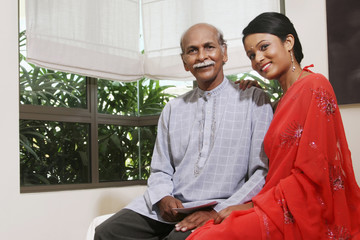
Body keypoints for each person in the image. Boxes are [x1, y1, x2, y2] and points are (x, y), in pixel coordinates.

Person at [186, 12, 360, 240]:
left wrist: (251, 207)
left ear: (288, 42)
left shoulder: (315, 86)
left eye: (264, 47)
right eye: (251, 54)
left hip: (301, 207)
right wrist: (260, 95)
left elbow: (314, 172)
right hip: (277, 200)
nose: (258, 58)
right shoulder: (279, 101)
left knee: (207, 237)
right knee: (205, 230)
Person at [94, 23, 273, 240]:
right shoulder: (173, 108)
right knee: (106, 233)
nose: (201, 56)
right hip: (171, 208)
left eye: (209, 47)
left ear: (224, 53)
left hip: (220, 205)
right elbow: (160, 169)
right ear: (185, 62)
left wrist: (217, 212)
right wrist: (162, 198)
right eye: (192, 50)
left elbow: (261, 172)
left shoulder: (253, 100)